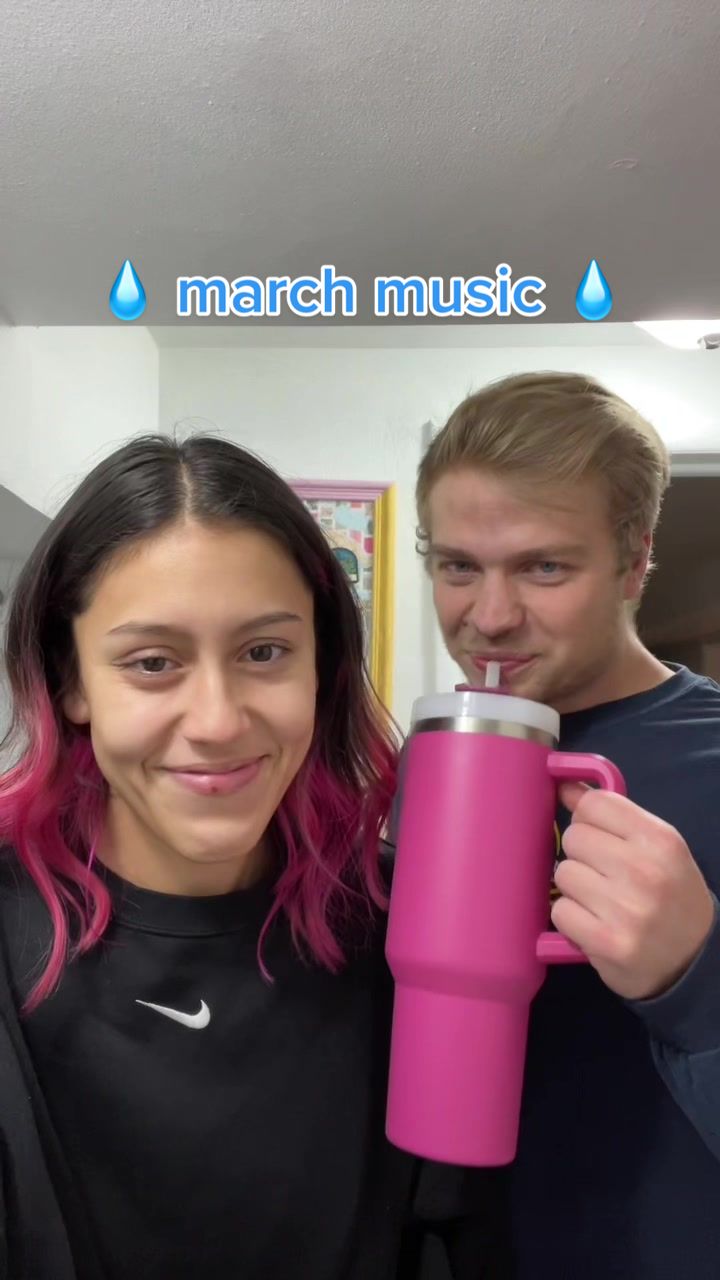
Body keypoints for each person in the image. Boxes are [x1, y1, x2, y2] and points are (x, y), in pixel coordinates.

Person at [0, 435, 502, 1280]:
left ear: (321, 668)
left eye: (264, 652)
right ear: (72, 680)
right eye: (153, 663)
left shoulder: (409, 930)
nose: (218, 721)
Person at [403, 371, 720, 1279]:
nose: (490, 618)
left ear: (634, 562)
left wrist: (696, 977)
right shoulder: (424, 759)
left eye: (544, 567)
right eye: (459, 567)